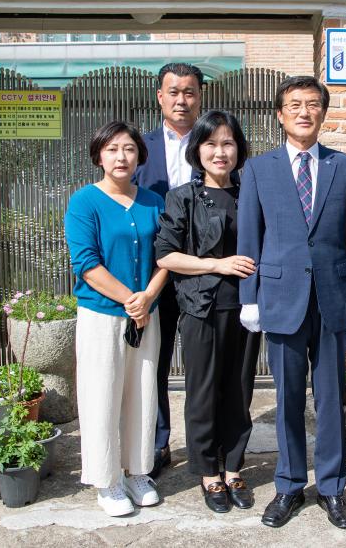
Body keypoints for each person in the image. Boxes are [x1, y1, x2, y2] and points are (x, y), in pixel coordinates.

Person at [237, 75, 346, 530]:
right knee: (288, 397)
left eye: (312, 104)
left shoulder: (345, 166)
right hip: (280, 298)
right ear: (280, 114)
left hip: (333, 298)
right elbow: (250, 239)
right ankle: (290, 484)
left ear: (323, 112)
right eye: (294, 104)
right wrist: (249, 297)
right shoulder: (258, 169)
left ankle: (332, 488)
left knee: (331, 397)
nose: (303, 112)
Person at [154, 110, 261, 513]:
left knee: (239, 390)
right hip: (202, 307)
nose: (220, 152)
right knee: (202, 392)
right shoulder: (182, 197)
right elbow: (166, 256)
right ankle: (207, 473)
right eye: (211, 144)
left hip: (247, 307)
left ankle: (233, 466)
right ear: (197, 150)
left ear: (239, 149)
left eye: (228, 143)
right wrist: (218, 264)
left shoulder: (250, 193)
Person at [64, 120, 169, 517]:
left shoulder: (153, 202)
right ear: (99, 156)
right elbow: (86, 264)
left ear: (140, 156)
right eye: (112, 149)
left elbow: (167, 256)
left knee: (142, 393)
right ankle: (107, 480)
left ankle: (138, 471)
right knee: (102, 395)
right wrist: (131, 300)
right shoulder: (84, 202)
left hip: (146, 314)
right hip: (102, 316)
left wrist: (148, 298)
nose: (121, 156)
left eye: (128, 149)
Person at [133, 62, 204, 479]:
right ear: (160, 97)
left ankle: (202, 447)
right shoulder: (138, 148)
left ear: (200, 97)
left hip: (201, 274)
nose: (181, 99)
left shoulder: (213, 144)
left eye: (189, 92)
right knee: (152, 364)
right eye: (173, 92)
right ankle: (157, 444)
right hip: (153, 276)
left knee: (200, 366)